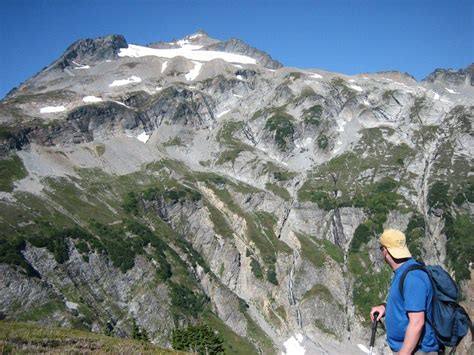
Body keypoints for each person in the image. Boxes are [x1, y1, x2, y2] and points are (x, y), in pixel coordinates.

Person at [370, 229, 440, 355]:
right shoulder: (403, 271)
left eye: (381, 249)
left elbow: (417, 323)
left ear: (385, 251)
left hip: (417, 351)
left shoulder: (413, 277)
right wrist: (385, 308)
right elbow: (405, 302)